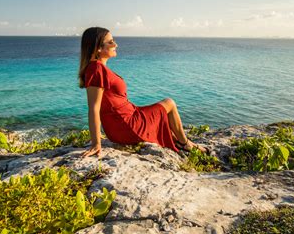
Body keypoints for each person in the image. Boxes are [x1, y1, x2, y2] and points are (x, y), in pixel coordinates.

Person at [79, 27, 207, 158]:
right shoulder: (96, 70)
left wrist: (100, 133)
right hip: (127, 126)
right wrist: (96, 143)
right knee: (169, 103)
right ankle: (186, 143)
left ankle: (183, 141)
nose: (115, 45)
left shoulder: (98, 68)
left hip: (125, 120)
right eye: (110, 42)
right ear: (98, 48)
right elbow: (94, 108)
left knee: (166, 127)